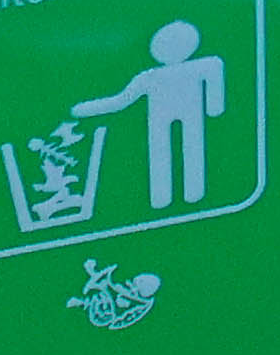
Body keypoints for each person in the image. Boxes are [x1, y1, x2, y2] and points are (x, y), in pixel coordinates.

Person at [69, 17, 237, 211]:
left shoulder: (201, 66)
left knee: (190, 147)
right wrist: (85, 109)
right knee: (162, 152)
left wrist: (214, 108)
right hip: (159, 119)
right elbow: (121, 100)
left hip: (185, 116)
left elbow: (215, 79)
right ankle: (164, 198)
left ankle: (191, 194)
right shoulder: (149, 77)